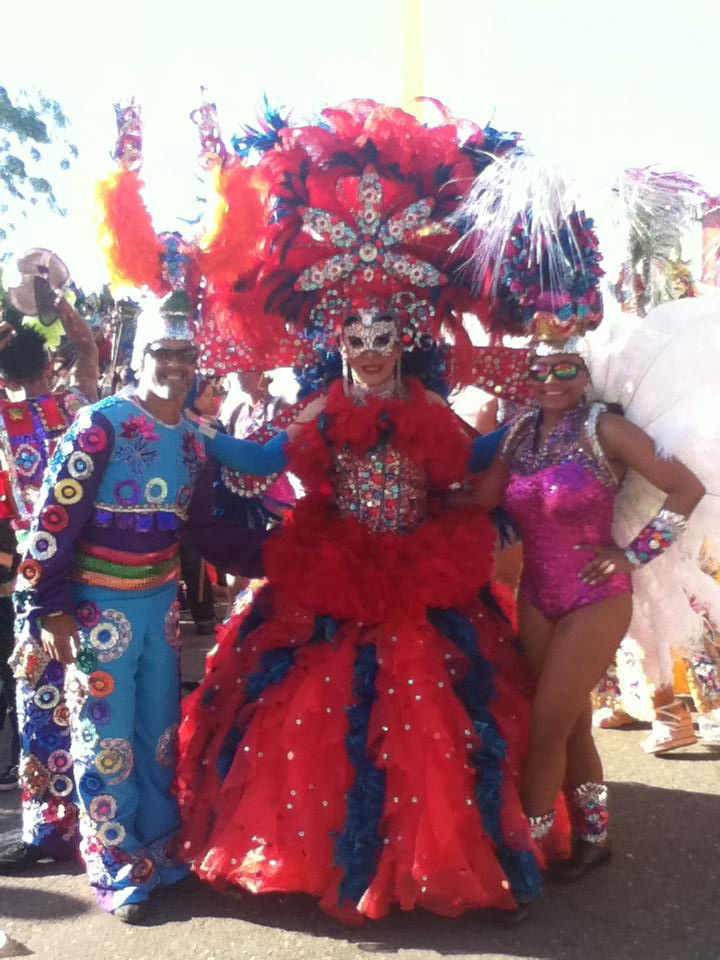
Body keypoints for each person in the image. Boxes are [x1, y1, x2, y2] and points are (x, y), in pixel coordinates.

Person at [172, 99, 597, 924]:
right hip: (332, 570)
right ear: (339, 346)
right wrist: (192, 437)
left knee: (443, 715)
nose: (370, 351)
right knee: (305, 710)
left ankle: (459, 847)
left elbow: (470, 460)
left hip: (423, 568)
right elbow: (265, 461)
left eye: (383, 339)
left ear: (405, 343)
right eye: (356, 340)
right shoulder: (321, 410)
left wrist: (525, 427)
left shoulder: (429, 409)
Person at [0, 296, 293, 923]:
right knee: (104, 735)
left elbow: (206, 531)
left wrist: (284, 558)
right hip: (93, 610)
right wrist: (48, 606)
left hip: (160, 604)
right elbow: (54, 518)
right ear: (140, 357)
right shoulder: (101, 423)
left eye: (187, 355)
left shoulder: (192, 440)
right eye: (164, 353)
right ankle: (113, 863)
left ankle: (159, 848)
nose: (177, 365)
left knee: (158, 733)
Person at [468, 320, 705, 879]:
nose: (552, 380)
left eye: (566, 368)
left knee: (544, 725)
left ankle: (525, 859)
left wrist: (636, 553)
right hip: (537, 597)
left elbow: (687, 487)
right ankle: (595, 834)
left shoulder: (609, 429)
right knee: (570, 721)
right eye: (541, 369)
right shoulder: (519, 434)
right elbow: (478, 502)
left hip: (595, 596)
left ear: (585, 373)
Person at [0, 295, 99, 792]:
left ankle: (49, 819)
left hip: (35, 569)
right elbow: (85, 350)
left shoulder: (3, 423)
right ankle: (95, 800)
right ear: (46, 363)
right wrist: (55, 300)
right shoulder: (78, 406)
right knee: (95, 684)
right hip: (92, 563)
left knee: (40, 689)